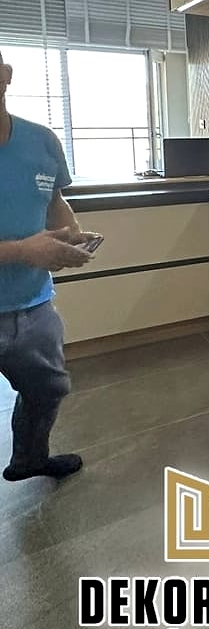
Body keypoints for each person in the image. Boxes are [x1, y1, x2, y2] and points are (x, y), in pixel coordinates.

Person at [0, 47, 98, 481]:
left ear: (6, 74)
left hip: (33, 304)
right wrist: (24, 250)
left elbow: (54, 199)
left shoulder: (41, 140)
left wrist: (69, 236)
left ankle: (29, 459)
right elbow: (27, 246)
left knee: (48, 389)